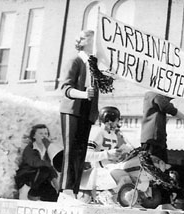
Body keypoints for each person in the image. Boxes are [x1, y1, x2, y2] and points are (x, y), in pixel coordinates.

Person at [59, 29, 98, 196]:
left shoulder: (94, 65)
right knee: (71, 150)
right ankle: (65, 190)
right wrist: (83, 94)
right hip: (73, 110)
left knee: (81, 152)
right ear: (83, 41)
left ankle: (74, 191)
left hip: (86, 111)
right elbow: (66, 88)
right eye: (92, 38)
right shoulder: (75, 61)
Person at [79, 106, 127, 204]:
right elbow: (87, 155)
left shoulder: (113, 135)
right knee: (123, 176)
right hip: (97, 170)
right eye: (117, 120)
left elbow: (110, 156)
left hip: (108, 167)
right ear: (109, 120)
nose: (117, 123)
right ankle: (106, 196)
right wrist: (108, 154)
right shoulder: (96, 132)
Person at [140, 91, 184, 163]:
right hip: (154, 139)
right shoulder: (156, 95)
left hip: (153, 138)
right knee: (157, 166)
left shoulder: (150, 96)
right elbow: (169, 108)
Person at [14, 124, 58, 202]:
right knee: (43, 170)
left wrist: (56, 183)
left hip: (41, 179)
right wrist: (49, 165)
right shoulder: (30, 148)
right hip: (27, 178)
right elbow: (34, 162)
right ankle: (30, 195)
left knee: (53, 196)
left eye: (46, 134)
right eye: (40, 133)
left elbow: (51, 169)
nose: (43, 136)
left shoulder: (48, 150)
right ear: (34, 136)